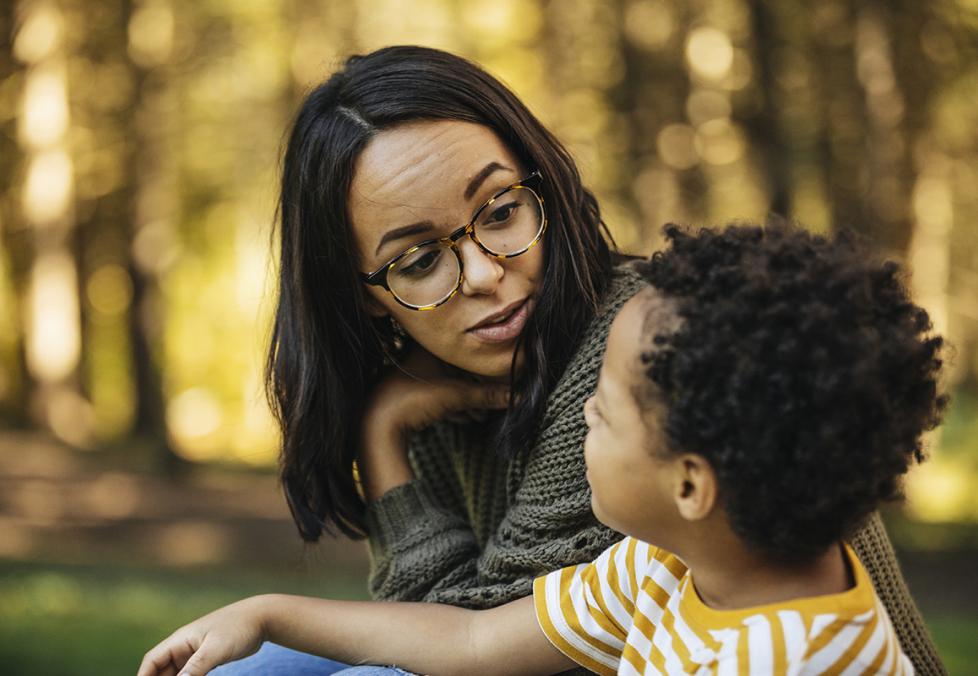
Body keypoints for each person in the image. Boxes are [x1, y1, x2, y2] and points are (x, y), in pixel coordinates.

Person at [213, 46, 943, 674]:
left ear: (544, 188)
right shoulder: (647, 568)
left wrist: (381, 437)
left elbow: (461, 657)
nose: (483, 275)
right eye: (420, 258)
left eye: (501, 212)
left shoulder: (641, 350)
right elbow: (466, 641)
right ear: (363, 293)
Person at [139, 223, 947, 676]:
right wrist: (267, 613)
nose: (580, 412)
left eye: (603, 409)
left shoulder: (788, 661)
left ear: (692, 484)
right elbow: (475, 639)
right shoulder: (666, 563)